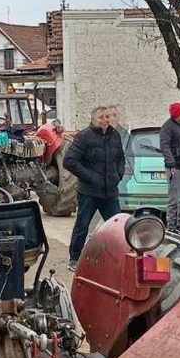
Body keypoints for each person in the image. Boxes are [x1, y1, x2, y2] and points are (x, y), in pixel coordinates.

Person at [64, 106, 125, 271]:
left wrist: (118, 175)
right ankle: (74, 259)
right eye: (101, 118)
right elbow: (69, 161)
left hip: (110, 192)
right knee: (82, 225)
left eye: (107, 117)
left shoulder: (115, 135)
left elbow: (120, 158)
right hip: (89, 192)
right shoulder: (84, 136)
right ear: (93, 119)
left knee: (118, 228)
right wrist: (90, 177)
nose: (105, 120)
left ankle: (121, 259)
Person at [159, 102, 180, 236]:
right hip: (175, 168)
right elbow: (164, 146)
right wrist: (171, 162)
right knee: (174, 199)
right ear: (176, 114)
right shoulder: (167, 127)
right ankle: (171, 227)